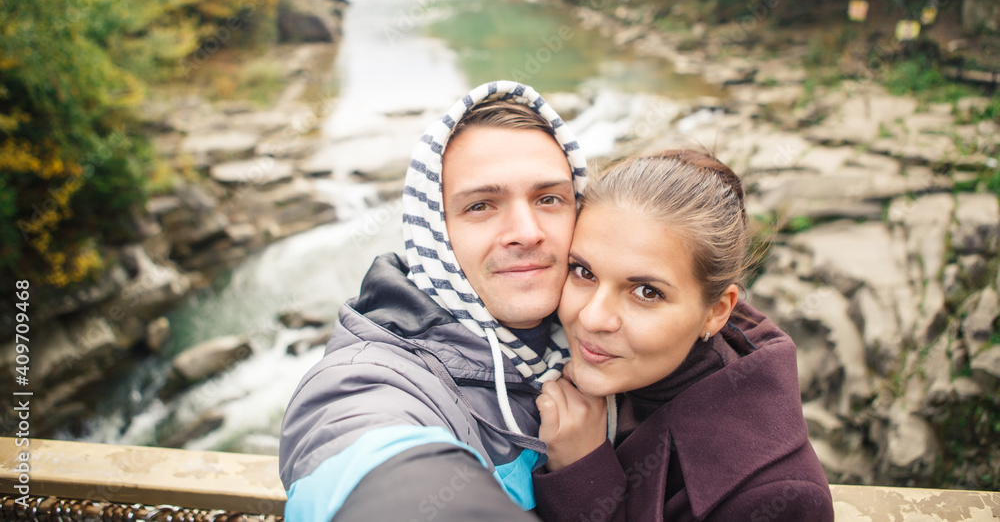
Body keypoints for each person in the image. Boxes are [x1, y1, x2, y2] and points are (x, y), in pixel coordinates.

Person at [278, 81, 588, 522]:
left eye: (549, 198)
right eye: (481, 205)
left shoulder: (605, 342)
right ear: (434, 232)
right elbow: (372, 465)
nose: (527, 231)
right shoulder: (367, 381)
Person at [532, 150, 834, 521]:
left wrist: (582, 477)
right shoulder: (529, 353)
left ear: (717, 311)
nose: (592, 318)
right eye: (583, 272)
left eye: (646, 292)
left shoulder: (777, 496)